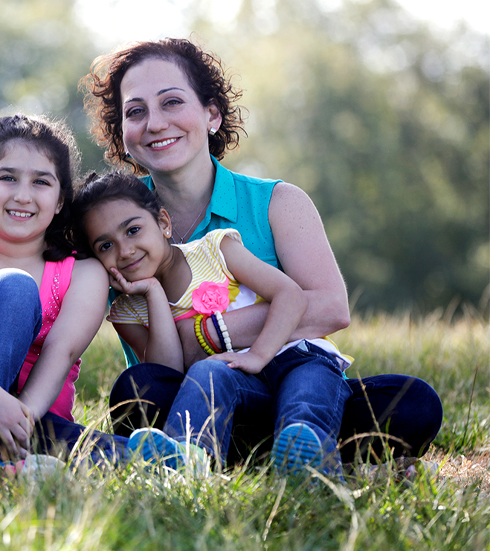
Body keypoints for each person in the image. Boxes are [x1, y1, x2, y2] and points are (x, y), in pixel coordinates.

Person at [81, 38, 442, 466]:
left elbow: (329, 308)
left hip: (297, 377)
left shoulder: (277, 203)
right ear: (122, 133)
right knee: (137, 393)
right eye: (136, 111)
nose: (155, 123)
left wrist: (210, 334)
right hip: (195, 397)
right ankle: (246, 451)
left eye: (172, 103)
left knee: (412, 402)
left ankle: (289, 443)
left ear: (211, 114)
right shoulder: (104, 226)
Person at [74, 172, 352, 475]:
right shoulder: (128, 311)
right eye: (105, 246)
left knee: (306, 399)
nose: (124, 251)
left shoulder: (215, 250)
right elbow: (167, 374)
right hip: (238, 382)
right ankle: (187, 459)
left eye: (133, 230)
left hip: (298, 357)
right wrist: (153, 292)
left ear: (164, 223)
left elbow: (291, 296)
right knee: (205, 372)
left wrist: (258, 355)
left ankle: (309, 465)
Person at [0, 114, 128, 463]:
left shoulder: (85, 273)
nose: (23, 195)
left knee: (110, 452)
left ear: (61, 201)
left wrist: (20, 417)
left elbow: (61, 351)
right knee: (13, 288)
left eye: (41, 182)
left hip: (35, 419)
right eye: (7, 178)